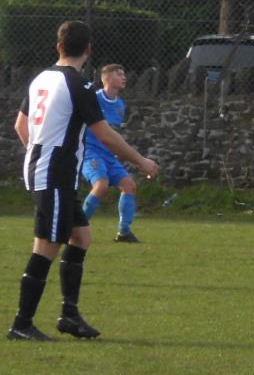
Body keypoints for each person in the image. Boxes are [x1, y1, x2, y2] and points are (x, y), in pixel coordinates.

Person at [7, 21, 159, 341]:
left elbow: (21, 126)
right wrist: (142, 161)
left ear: (58, 46)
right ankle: (21, 324)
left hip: (46, 169)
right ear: (88, 51)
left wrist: (38, 153)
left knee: (81, 236)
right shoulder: (79, 86)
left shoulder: (41, 79)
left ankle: (69, 315)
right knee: (46, 246)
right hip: (55, 173)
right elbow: (104, 134)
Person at [81, 63, 140, 243]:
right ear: (106, 78)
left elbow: (112, 133)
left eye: (124, 74)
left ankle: (124, 232)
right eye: (118, 74)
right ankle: (76, 226)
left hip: (108, 155)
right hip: (90, 152)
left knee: (129, 185)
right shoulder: (94, 98)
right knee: (101, 185)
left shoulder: (120, 105)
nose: (124, 77)